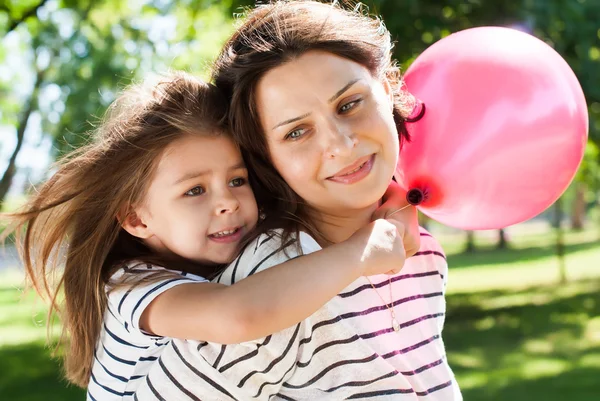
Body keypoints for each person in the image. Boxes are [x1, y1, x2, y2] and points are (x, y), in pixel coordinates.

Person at [0, 71, 419, 401]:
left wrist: (398, 201)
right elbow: (240, 316)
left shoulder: (218, 254)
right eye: (194, 190)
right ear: (136, 219)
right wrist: (361, 252)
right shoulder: (132, 287)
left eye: (237, 180)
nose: (227, 203)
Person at [134, 1, 461, 400]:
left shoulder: (422, 253)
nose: (341, 145)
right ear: (264, 157)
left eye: (349, 104)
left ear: (388, 89)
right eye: (296, 132)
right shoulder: (272, 284)